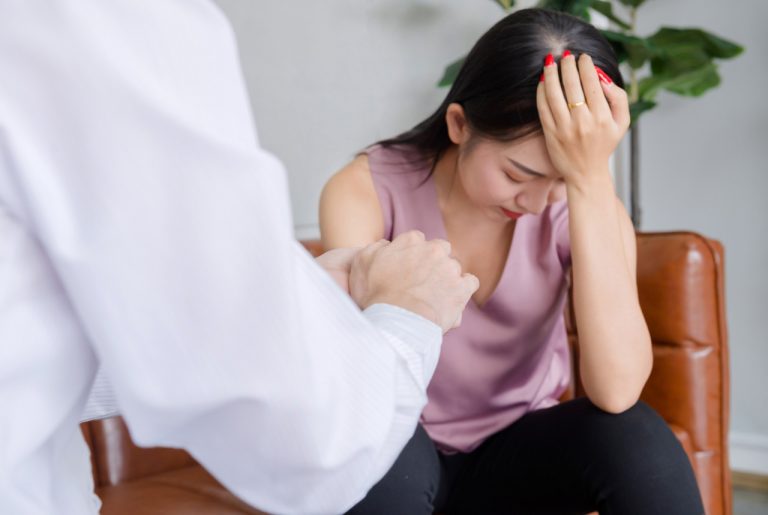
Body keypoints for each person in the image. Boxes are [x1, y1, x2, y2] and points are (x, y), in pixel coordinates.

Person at [0, 1, 480, 514]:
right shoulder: (98, 20)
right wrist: (410, 314)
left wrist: (295, 299)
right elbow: (308, 449)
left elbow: (30, 350)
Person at [320, 8, 705, 514]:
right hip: (399, 442)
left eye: (560, 179)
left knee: (635, 438)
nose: (537, 202)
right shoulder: (365, 189)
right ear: (460, 124)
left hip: (516, 454)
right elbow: (356, 374)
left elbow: (616, 390)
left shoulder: (580, 203)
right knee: (378, 448)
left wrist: (589, 183)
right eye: (518, 173)